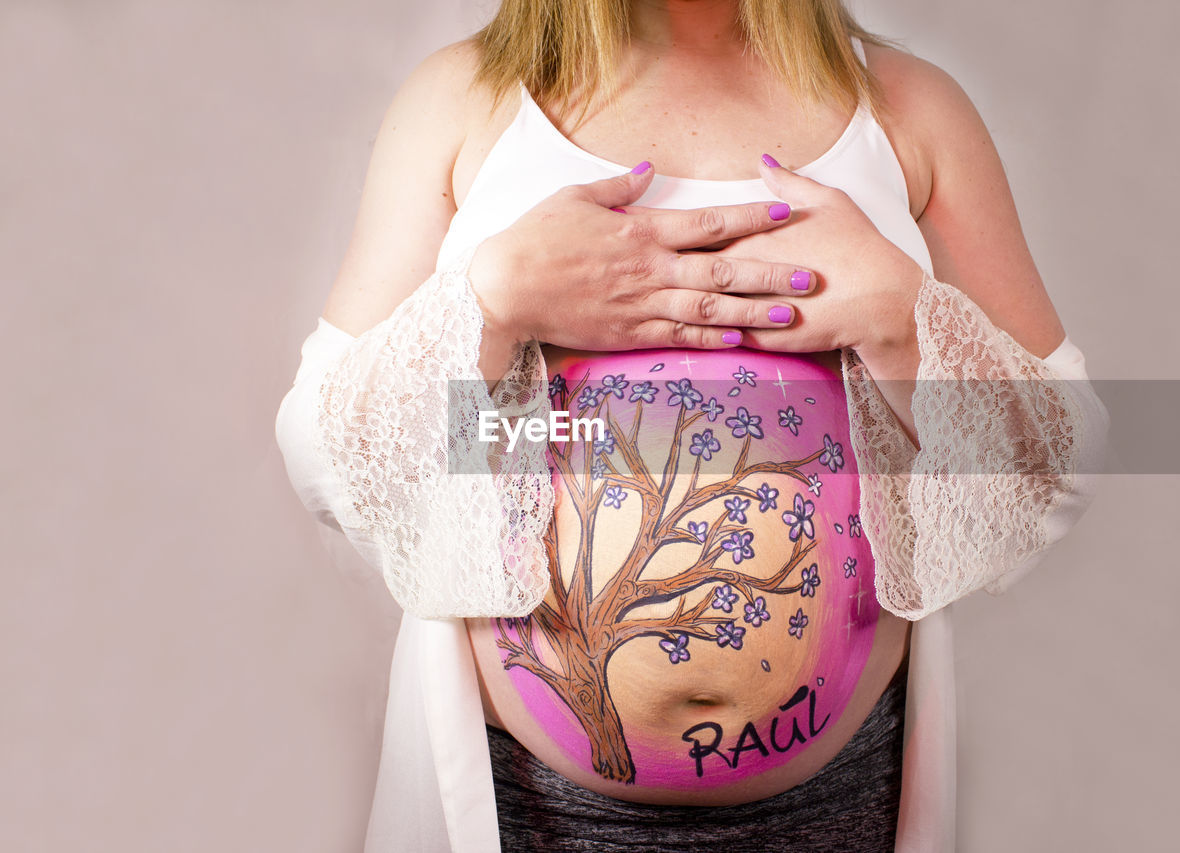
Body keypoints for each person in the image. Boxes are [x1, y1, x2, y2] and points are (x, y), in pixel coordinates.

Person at [274, 1, 1111, 850]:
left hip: (841, 801)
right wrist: (493, 306)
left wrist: (904, 323)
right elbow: (327, 460)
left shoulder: (909, 112)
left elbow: (1057, 468)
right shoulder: (464, 104)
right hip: (529, 808)